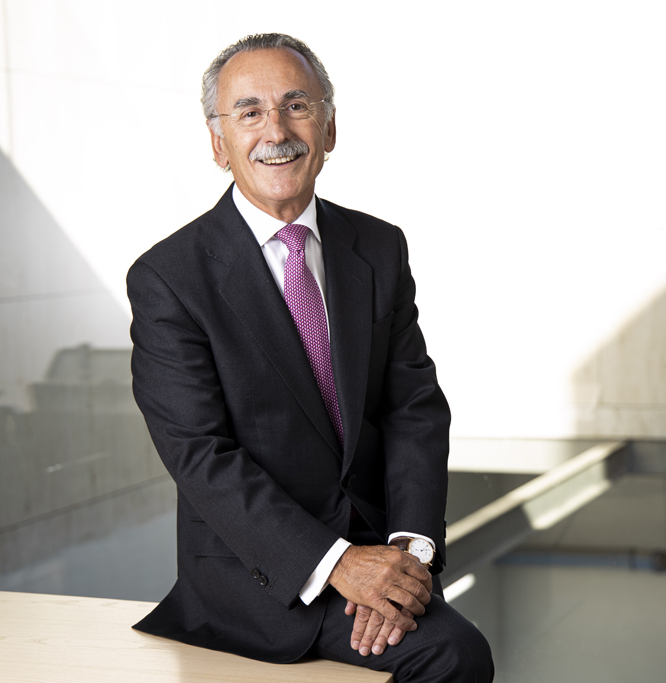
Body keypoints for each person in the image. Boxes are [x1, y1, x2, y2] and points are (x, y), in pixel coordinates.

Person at [127, 32, 494, 682]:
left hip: (380, 553)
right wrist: (339, 563)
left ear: (329, 128)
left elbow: (412, 407)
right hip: (263, 578)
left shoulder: (378, 247)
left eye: (297, 106)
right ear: (218, 143)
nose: (277, 131)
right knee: (453, 654)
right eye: (249, 112)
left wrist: (409, 552)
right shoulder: (170, 278)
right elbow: (201, 456)